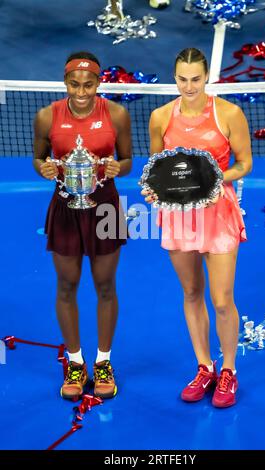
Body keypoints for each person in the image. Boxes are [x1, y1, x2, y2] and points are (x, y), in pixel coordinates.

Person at [143, 48, 252, 408]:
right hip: (179, 217)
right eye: (182, 78)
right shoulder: (160, 117)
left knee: (221, 300)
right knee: (191, 293)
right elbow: (156, 167)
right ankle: (205, 366)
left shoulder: (229, 114)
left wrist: (217, 180)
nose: (189, 86)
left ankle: (229, 370)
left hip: (218, 213)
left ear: (207, 77)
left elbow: (245, 162)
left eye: (196, 78)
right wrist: (152, 191)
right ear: (174, 77)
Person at [33, 51, 132, 400]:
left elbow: (127, 159)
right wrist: (43, 168)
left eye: (88, 84)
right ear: (65, 82)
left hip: (105, 208)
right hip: (64, 209)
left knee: (105, 285)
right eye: (74, 84)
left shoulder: (117, 114)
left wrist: (121, 168)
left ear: (99, 83)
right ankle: (76, 363)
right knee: (66, 285)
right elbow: (38, 156)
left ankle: (103, 361)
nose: (81, 91)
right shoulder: (47, 116)